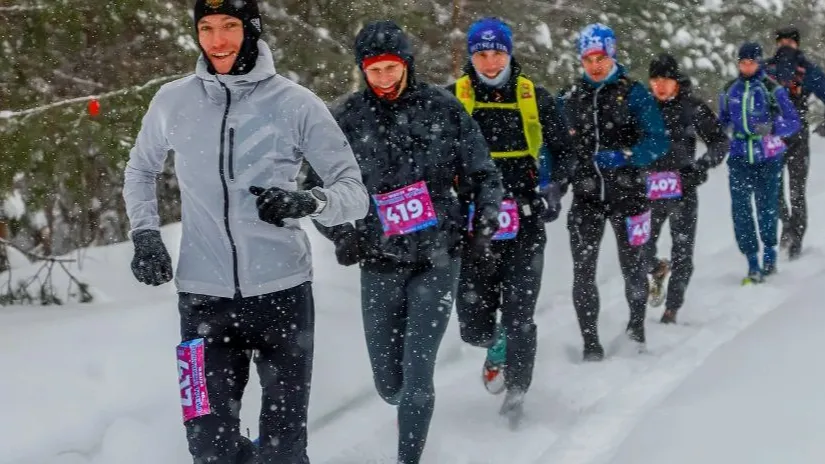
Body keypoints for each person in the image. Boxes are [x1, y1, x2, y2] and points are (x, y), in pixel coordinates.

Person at [122, 1, 369, 462]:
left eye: (230, 27)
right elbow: (140, 169)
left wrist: (309, 202)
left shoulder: (295, 103)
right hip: (201, 302)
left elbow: (355, 192)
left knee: (283, 451)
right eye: (207, 28)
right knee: (207, 447)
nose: (217, 41)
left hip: (283, 298)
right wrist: (145, 233)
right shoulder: (172, 101)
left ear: (252, 29)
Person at [309, 20, 503, 464]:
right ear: (362, 69)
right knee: (389, 383)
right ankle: (411, 415)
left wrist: (482, 228)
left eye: (391, 68)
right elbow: (315, 191)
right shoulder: (343, 120)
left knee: (418, 375)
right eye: (374, 70)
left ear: (407, 64)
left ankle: (408, 456)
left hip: (438, 256)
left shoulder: (444, 109)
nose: (383, 78)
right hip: (378, 259)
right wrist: (343, 236)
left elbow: (483, 175)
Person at [444, 16, 572, 422]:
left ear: (509, 52)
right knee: (472, 326)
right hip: (475, 227)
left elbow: (565, 151)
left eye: (497, 52)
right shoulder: (452, 100)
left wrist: (555, 187)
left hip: (526, 222)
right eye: (481, 54)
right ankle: (492, 341)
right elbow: (434, 159)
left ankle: (517, 391)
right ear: (471, 56)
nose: (490, 62)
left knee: (520, 314)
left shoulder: (537, 98)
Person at [556, 23, 669, 361]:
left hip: (629, 195)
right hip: (587, 197)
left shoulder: (633, 93)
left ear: (612, 54)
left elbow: (658, 141)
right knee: (583, 270)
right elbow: (556, 146)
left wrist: (627, 156)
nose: (594, 65)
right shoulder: (571, 97)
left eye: (600, 57)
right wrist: (554, 178)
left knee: (633, 267)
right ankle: (591, 343)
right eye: (588, 58)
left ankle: (636, 330)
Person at [645, 54, 729, 324]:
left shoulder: (692, 108)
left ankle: (672, 309)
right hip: (649, 190)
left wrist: (700, 167)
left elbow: (719, 142)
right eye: (655, 80)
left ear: (676, 83)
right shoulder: (642, 108)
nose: (660, 86)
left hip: (683, 187)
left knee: (683, 251)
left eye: (665, 80)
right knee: (640, 247)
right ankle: (657, 268)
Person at [718, 42, 801, 284]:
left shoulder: (772, 89)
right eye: (742, 63)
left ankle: (769, 255)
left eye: (751, 62)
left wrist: (773, 127)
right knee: (741, 212)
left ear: (759, 62)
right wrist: (723, 130)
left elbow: (794, 122)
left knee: (767, 209)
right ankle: (752, 261)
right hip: (740, 159)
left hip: (767, 158)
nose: (746, 67)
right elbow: (722, 122)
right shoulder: (728, 90)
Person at [764, 27, 825, 260]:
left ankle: (794, 235)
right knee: (778, 191)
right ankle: (790, 228)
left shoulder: (806, 70)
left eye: (790, 40)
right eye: (782, 41)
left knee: (794, 191)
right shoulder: (769, 69)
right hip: (777, 136)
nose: (786, 44)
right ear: (777, 43)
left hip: (790, 135)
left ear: (797, 44)